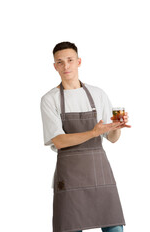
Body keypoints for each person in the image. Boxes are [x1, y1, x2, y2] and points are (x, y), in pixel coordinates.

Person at [40, 42, 131, 232]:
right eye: (60, 62)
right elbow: (59, 140)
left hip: (100, 171)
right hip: (70, 175)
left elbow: (112, 138)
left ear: (78, 61)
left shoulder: (98, 94)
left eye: (70, 60)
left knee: (114, 228)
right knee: (70, 227)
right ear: (55, 66)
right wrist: (92, 133)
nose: (66, 66)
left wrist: (116, 127)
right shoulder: (50, 99)